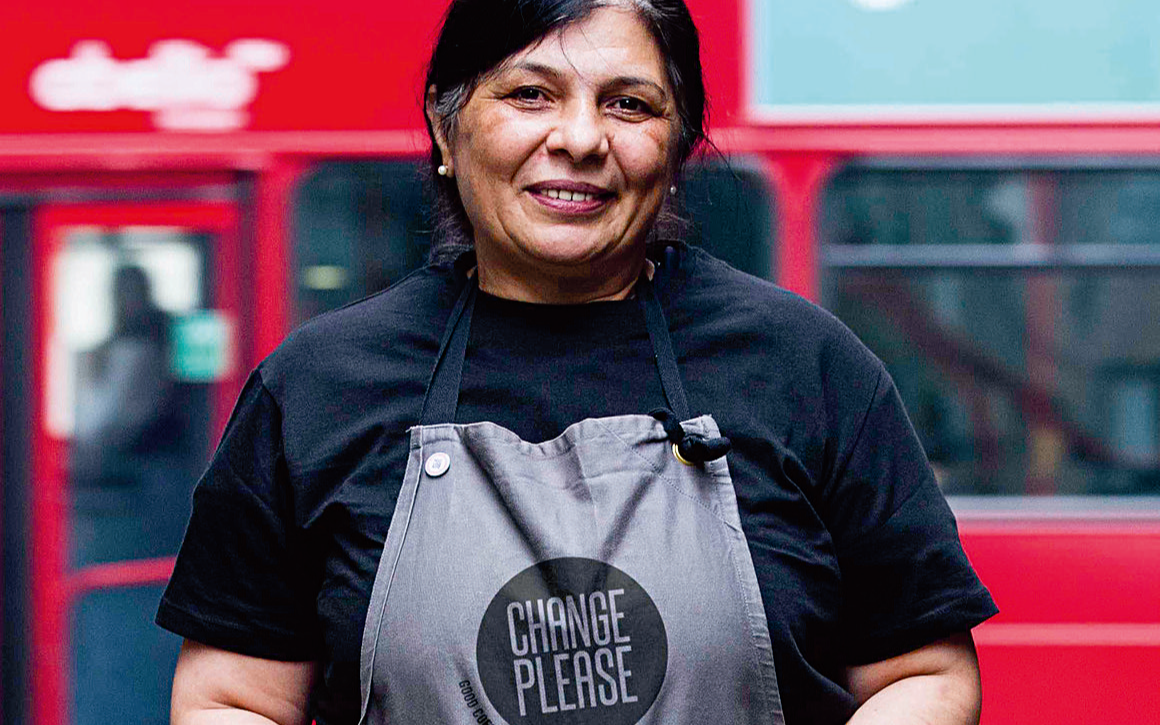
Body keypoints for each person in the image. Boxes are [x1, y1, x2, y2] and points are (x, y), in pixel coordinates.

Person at [159, 1, 997, 723]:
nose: (581, 139)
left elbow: (922, 672)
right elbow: (233, 696)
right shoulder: (318, 386)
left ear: (678, 145)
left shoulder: (805, 365)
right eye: (530, 94)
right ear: (444, 126)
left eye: (630, 104)